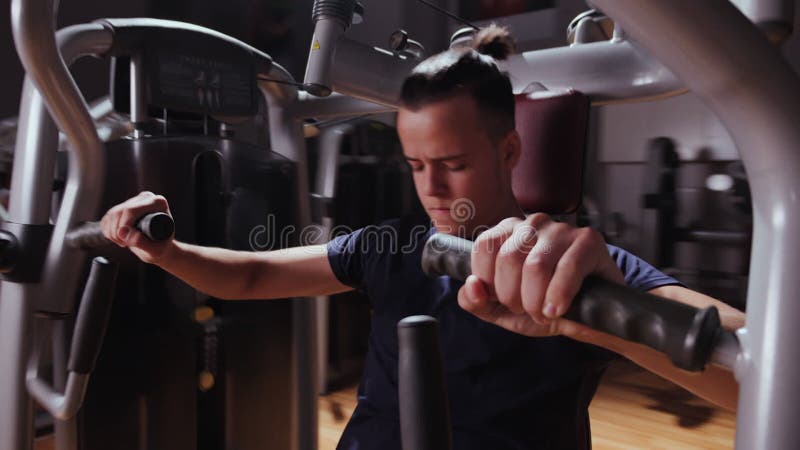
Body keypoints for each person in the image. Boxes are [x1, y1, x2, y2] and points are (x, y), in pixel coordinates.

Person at [101, 26, 744, 450]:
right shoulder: (391, 244)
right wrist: (163, 249)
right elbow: (251, 276)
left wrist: (591, 319)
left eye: (454, 164)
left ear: (510, 148)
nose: (431, 188)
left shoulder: (575, 269)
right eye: (415, 166)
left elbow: (758, 374)